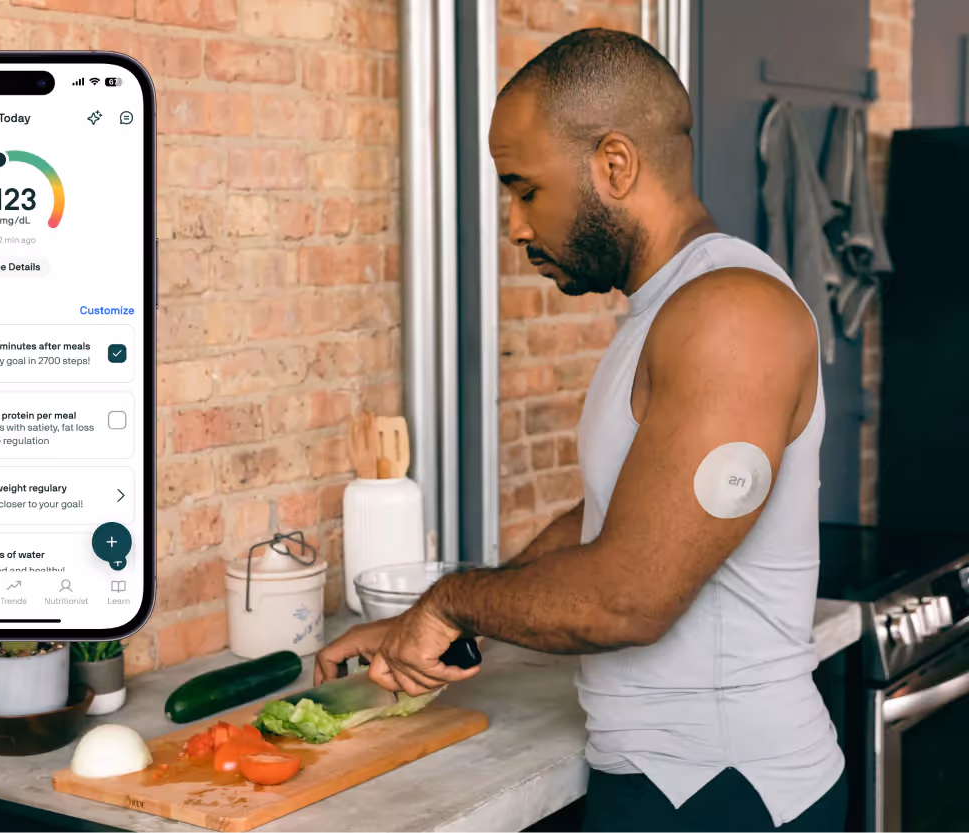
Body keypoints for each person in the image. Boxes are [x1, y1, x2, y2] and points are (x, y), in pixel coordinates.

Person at [315, 28, 846, 833]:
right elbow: (609, 518)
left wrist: (455, 599)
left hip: (723, 788)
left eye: (524, 189)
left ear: (615, 165)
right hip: (676, 780)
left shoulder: (730, 314)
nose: (516, 227)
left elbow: (630, 598)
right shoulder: (669, 308)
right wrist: (439, 616)